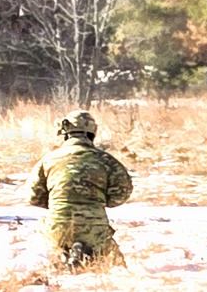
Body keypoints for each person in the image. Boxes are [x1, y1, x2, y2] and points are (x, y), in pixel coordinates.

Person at [25, 110, 133, 268]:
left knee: (50, 255)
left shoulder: (48, 160)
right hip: (94, 228)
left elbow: (33, 196)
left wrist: (58, 202)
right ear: (92, 133)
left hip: (57, 226)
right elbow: (122, 193)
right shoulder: (106, 160)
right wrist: (100, 201)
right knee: (115, 267)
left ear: (65, 134)